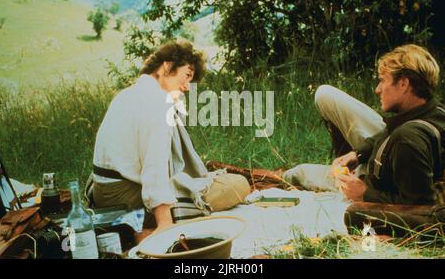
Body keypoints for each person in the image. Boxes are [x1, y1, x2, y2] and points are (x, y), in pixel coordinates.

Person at [88, 41, 250, 241]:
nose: (187, 87)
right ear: (167, 65)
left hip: (101, 194)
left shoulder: (128, 94)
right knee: (237, 185)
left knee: (202, 182)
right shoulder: (157, 101)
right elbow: (154, 168)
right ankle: (137, 232)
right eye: (187, 75)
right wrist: (165, 224)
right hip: (125, 198)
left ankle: (133, 229)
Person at [283, 44, 445, 205]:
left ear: (403, 84)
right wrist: (357, 154)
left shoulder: (408, 138)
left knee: (299, 172)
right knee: (325, 94)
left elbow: (421, 206)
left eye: (383, 81)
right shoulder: (433, 111)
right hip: (382, 165)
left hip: (374, 181)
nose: (377, 89)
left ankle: (280, 176)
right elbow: (388, 133)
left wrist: (365, 194)